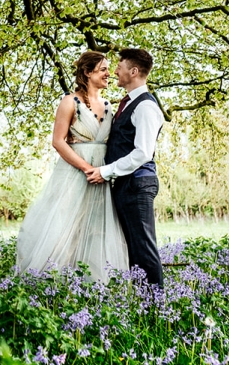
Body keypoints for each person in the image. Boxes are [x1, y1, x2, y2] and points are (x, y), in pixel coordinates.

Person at [16, 50, 129, 281]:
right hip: (74, 174)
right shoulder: (70, 102)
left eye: (109, 69)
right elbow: (58, 141)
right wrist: (87, 168)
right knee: (65, 225)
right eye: (103, 69)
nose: (110, 73)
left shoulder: (108, 105)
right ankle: (53, 279)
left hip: (101, 177)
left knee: (96, 228)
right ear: (87, 73)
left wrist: (106, 171)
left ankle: (93, 281)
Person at [84, 47, 165, 286]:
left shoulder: (146, 107)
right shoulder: (128, 103)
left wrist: (105, 171)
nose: (114, 72)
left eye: (119, 68)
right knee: (133, 249)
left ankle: (155, 309)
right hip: (127, 184)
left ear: (134, 71)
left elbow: (142, 153)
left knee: (144, 249)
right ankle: (144, 306)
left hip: (138, 184)